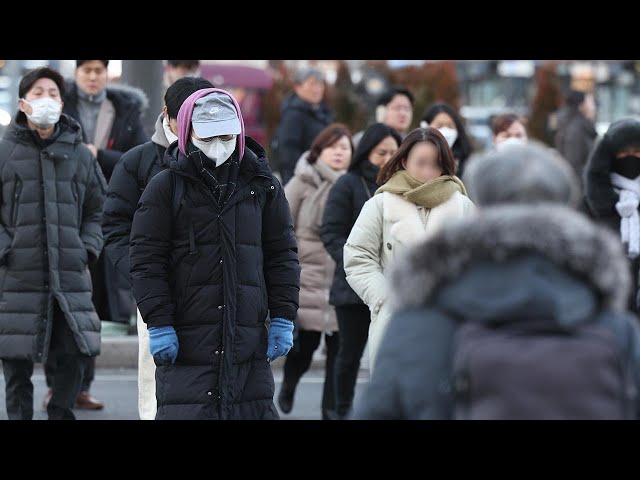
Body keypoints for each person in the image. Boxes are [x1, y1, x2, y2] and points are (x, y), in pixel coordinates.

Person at [355, 142, 640, 420]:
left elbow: (379, 409)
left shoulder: (421, 321)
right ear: (564, 202)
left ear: (484, 201)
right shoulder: (614, 326)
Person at [130, 88, 300, 420]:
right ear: (186, 133)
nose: (218, 145)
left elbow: (282, 255)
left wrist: (283, 316)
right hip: (187, 337)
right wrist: (159, 322)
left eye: (226, 135)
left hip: (246, 337)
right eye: (207, 136)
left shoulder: (262, 185)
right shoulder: (166, 186)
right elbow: (147, 260)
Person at [101, 76, 214, 420]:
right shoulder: (137, 162)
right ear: (167, 113)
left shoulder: (228, 157)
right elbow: (115, 226)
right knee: (156, 375)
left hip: (214, 286)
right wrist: (139, 272)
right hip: (157, 288)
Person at [0, 67, 106, 420]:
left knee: (74, 355)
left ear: (62, 104)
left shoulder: (80, 155)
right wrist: (6, 249)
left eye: (53, 94)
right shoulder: (4, 152)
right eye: (38, 92)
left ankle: (61, 411)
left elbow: (99, 210)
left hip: (69, 276)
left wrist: (86, 248)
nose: (46, 99)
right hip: (17, 277)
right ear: (22, 103)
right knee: (16, 368)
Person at [43, 60, 147, 411]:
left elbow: (137, 158)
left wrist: (97, 154)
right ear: (77, 73)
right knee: (57, 307)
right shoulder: (58, 104)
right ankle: (57, 385)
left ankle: (80, 386)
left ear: (107, 74)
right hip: (62, 212)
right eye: (86, 70)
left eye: (98, 70)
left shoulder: (124, 109)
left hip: (107, 216)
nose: (92, 76)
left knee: (92, 310)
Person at [343, 127, 476, 371]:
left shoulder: (463, 206)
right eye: (420, 163)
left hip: (449, 322)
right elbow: (357, 256)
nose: (428, 172)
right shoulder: (381, 204)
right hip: (397, 319)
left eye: (436, 164)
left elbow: (479, 261)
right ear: (404, 161)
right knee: (394, 401)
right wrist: (383, 297)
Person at [320, 123, 401, 419]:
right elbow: (330, 231)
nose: (388, 158)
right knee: (348, 355)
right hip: (352, 286)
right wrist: (357, 264)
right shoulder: (348, 183)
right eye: (382, 152)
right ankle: (341, 410)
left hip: (394, 285)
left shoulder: (403, 186)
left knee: (387, 355)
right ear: (367, 152)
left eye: (394, 152)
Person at [277, 123, 353, 419]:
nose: (338, 152)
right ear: (319, 151)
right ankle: (290, 384)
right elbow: (280, 226)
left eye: (344, 147)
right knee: (302, 349)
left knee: (339, 354)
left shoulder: (354, 185)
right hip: (305, 279)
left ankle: (330, 412)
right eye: (332, 146)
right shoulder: (302, 182)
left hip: (341, 281)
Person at [584, 118, 640, 313]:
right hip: (609, 308)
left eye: (637, 152)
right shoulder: (591, 200)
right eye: (623, 153)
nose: (630, 158)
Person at [271, 68, 334, 185]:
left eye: (320, 84)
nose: (317, 89)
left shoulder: (322, 111)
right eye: (312, 84)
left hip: (320, 175)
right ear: (297, 87)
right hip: (303, 178)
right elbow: (288, 150)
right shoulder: (293, 114)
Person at [554, 89, 598, 182]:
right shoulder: (576, 129)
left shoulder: (580, 126)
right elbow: (573, 165)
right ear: (581, 106)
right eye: (590, 102)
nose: (593, 107)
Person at [420, 102, 474, 177]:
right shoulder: (419, 158)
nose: (445, 130)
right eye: (439, 125)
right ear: (425, 127)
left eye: (450, 126)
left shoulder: (468, 163)